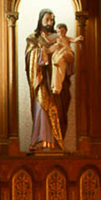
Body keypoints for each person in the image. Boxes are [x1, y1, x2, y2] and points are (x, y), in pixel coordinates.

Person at [25, 9, 72, 150]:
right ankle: (41, 140)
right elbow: (29, 56)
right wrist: (46, 51)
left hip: (55, 80)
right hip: (40, 79)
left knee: (58, 109)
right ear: (40, 20)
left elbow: (68, 53)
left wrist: (67, 57)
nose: (50, 23)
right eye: (47, 19)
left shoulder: (58, 37)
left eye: (52, 20)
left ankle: (56, 142)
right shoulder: (33, 38)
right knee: (42, 108)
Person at [47, 23, 83, 95]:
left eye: (62, 31)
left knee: (61, 65)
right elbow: (49, 41)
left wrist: (78, 38)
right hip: (58, 54)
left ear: (66, 31)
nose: (60, 33)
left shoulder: (67, 38)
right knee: (56, 70)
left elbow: (73, 40)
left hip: (65, 53)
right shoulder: (57, 39)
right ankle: (55, 87)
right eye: (58, 32)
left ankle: (57, 87)